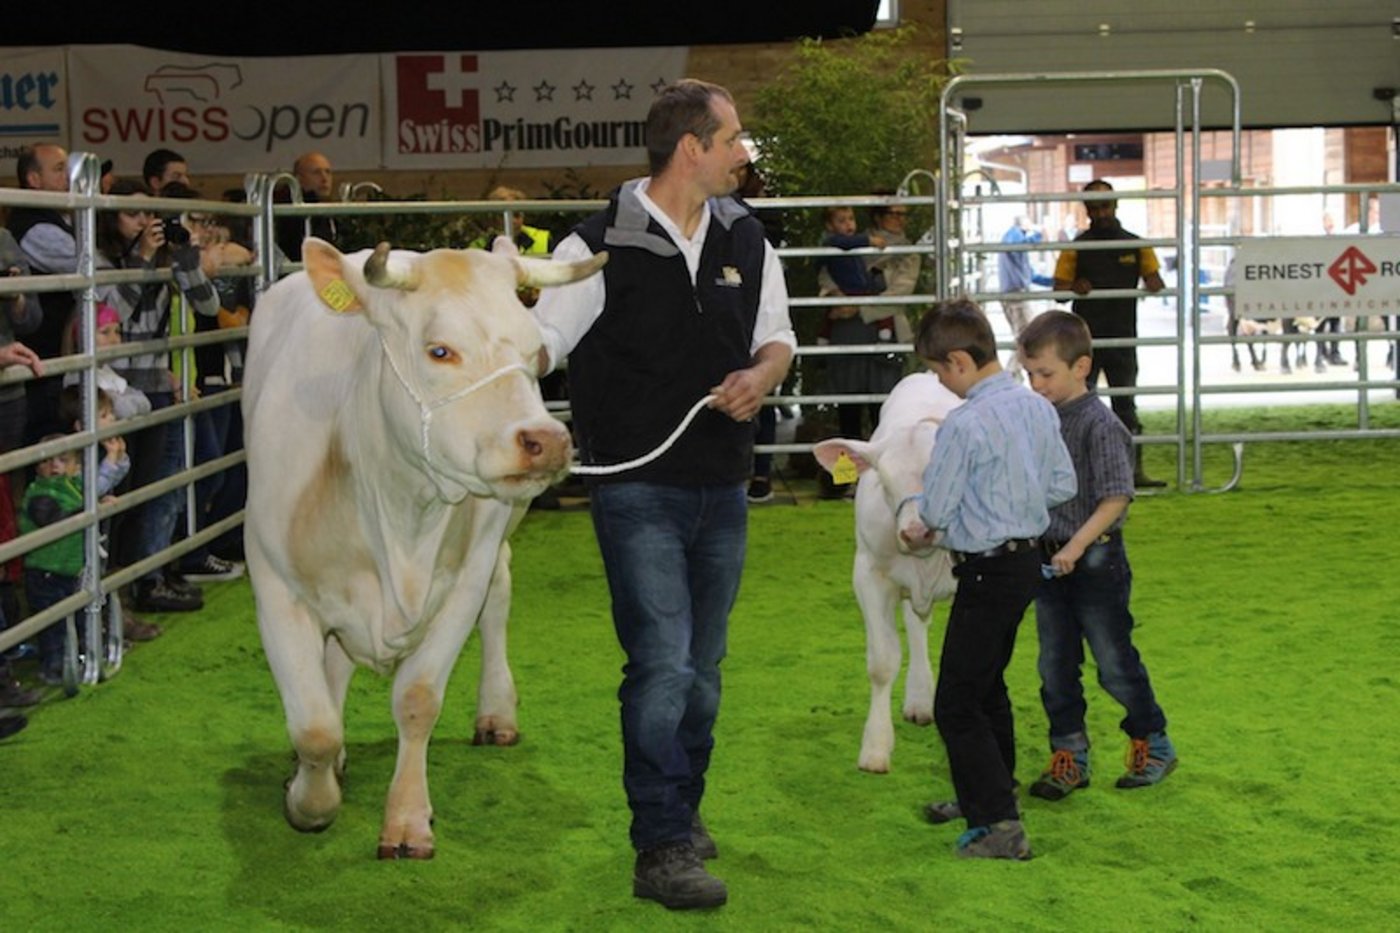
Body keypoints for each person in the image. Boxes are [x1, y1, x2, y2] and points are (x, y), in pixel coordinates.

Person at [532, 78, 794, 910]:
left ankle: (682, 805)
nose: (742, 153)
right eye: (733, 139)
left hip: (724, 481)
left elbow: (777, 337)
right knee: (663, 665)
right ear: (693, 147)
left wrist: (762, 376)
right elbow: (541, 343)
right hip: (634, 484)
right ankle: (661, 843)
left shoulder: (748, 238)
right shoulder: (597, 243)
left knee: (702, 670)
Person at [898, 298, 1075, 861]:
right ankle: (991, 794)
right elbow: (1061, 486)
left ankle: (999, 823)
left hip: (985, 569)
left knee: (956, 701)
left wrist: (923, 523)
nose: (938, 382)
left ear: (957, 362)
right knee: (987, 683)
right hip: (1025, 565)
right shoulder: (1039, 409)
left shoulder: (964, 423)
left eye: (935, 371)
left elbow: (939, 511)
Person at [1016, 310, 1177, 802]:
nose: (1036, 383)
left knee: (1113, 661)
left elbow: (1116, 498)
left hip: (1094, 562)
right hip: (1050, 561)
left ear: (1081, 367)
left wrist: (1076, 544)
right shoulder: (1040, 418)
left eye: (1045, 373)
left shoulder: (1101, 425)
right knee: (1054, 666)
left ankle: (1153, 741)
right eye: (1029, 375)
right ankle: (1069, 754)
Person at [98, 179, 219, 613]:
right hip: (112, 393)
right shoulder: (100, 260)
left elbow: (207, 306)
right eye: (133, 215)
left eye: (150, 215)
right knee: (120, 494)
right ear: (111, 220)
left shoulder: (165, 258)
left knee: (162, 489)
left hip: (155, 386)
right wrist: (143, 260)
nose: (144, 223)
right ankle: (119, 588)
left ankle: (150, 577)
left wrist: (186, 257)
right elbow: (115, 315)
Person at [1053, 180, 1166, 488]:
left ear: (1115, 205)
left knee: (1125, 404)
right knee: (1078, 404)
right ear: (1086, 209)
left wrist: (1154, 283)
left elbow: (1156, 281)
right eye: (1094, 207)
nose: (1100, 212)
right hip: (1084, 342)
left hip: (1123, 336)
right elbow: (1058, 292)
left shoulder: (1137, 244)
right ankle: (1077, 473)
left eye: (1105, 205)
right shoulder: (1076, 247)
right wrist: (1075, 286)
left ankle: (1133, 472)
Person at [20, 419, 128, 685]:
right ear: (36, 465)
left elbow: (95, 488)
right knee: (53, 625)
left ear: (75, 466)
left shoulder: (75, 485)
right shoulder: (39, 493)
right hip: (45, 572)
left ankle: (84, 653)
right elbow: (57, 518)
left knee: (80, 614)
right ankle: (53, 666)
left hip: (71, 568)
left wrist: (117, 458)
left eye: (63, 459)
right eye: (47, 460)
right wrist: (94, 507)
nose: (54, 465)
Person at [815, 203, 902, 498]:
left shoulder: (899, 248)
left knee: (880, 409)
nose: (849, 224)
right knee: (847, 410)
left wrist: (860, 305)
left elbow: (901, 289)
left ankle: (883, 478)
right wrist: (835, 298)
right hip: (846, 332)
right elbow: (826, 273)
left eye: (851, 218)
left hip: (876, 331)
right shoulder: (839, 245)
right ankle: (845, 481)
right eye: (841, 219)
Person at [7, 143, 78, 444]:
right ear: (34, 180)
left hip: (45, 353)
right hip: (39, 356)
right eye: (59, 170)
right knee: (42, 439)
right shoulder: (33, 225)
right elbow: (89, 263)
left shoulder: (59, 218)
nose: (68, 178)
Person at [734, 159, 785, 504]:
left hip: (759, 321)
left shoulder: (758, 224)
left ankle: (762, 473)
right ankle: (741, 472)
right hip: (730, 327)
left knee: (762, 398)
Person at [996, 215, 1053, 355]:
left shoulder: (1017, 245)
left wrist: (1054, 281)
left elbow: (1030, 275)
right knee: (1026, 337)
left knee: (1025, 336)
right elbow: (1015, 247)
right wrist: (1038, 236)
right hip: (1016, 294)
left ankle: (1014, 372)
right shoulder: (1015, 234)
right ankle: (1011, 372)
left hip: (1016, 294)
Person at [274, 151, 337, 261]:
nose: (324, 178)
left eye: (328, 172)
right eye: (316, 172)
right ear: (298, 178)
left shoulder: (325, 208)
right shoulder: (287, 211)